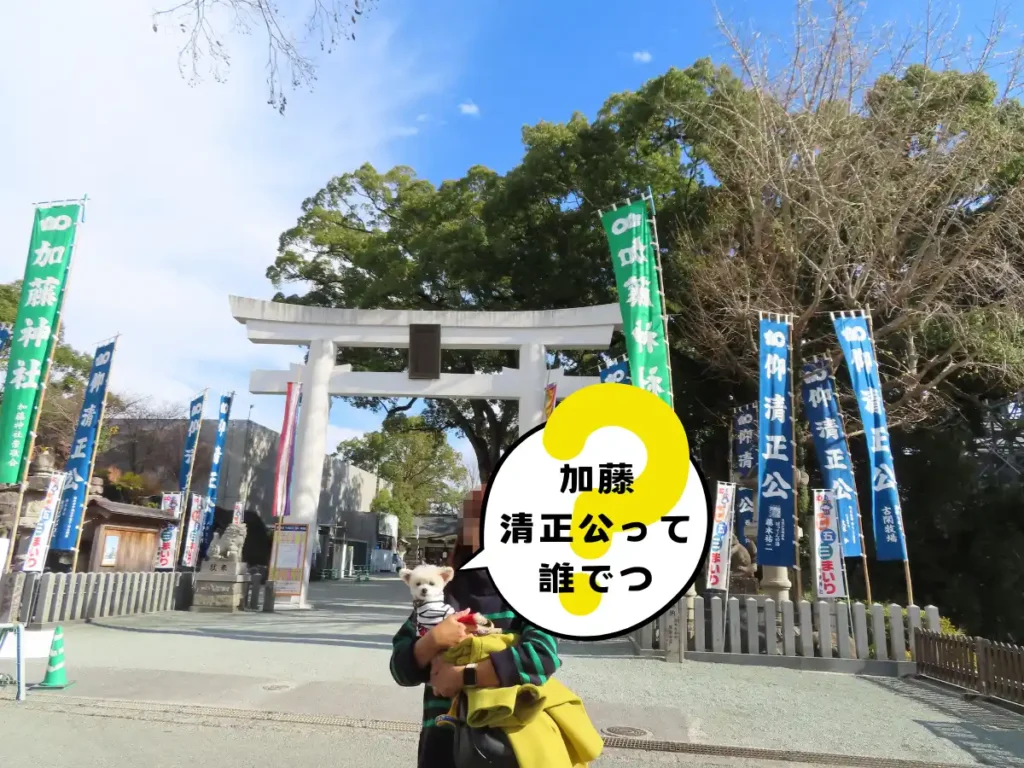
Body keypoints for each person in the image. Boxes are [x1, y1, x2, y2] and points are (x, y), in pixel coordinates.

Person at [389, 537, 563, 767]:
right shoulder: (439, 596)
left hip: (508, 740)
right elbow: (400, 669)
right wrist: (433, 640)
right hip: (442, 741)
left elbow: (543, 657)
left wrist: (464, 675)